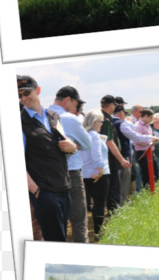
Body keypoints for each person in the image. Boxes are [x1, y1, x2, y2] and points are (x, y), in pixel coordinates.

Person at [19, 75, 78, 243]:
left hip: (63, 187)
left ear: (37, 90)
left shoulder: (53, 116)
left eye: (26, 93)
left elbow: (63, 142)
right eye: (19, 95)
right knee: (55, 240)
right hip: (44, 192)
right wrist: (36, 191)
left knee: (61, 236)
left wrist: (72, 147)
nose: (23, 98)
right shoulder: (19, 122)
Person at [47, 86, 93, 244]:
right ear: (68, 100)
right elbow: (87, 144)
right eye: (76, 104)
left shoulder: (40, 116)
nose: (77, 108)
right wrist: (76, 145)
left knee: (55, 223)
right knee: (79, 221)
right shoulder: (69, 118)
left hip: (45, 175)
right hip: (71, 173)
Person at [80, 110, 110, 239]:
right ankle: (98, 232)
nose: (102, 124)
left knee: (88, 204)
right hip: (98, 174)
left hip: (85, 174)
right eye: (101, 121)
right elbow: (97, 155)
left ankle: (87, 231)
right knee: (99, 203)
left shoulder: (82, 135)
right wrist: (101, 171)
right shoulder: (95, 136)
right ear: (94, 122)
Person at [99, 94, 130, 211]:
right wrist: (121, 159)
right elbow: (110, 142)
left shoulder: (99, 117)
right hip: (110, 160)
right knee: (114, 188)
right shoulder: (106, 120)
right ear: (111, 105)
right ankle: (114, 213)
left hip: (103, 159)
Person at [133, 109, 158, 189]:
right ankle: (148, 189)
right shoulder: (138, 126)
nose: (151, 120)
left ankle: (153, 187)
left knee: (154, 172)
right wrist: (151, 141)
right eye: (150, 117)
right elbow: (138, 141)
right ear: (146, 116)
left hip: (150, 151)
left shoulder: (147, 125)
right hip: (142, 153)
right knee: (146, 173)